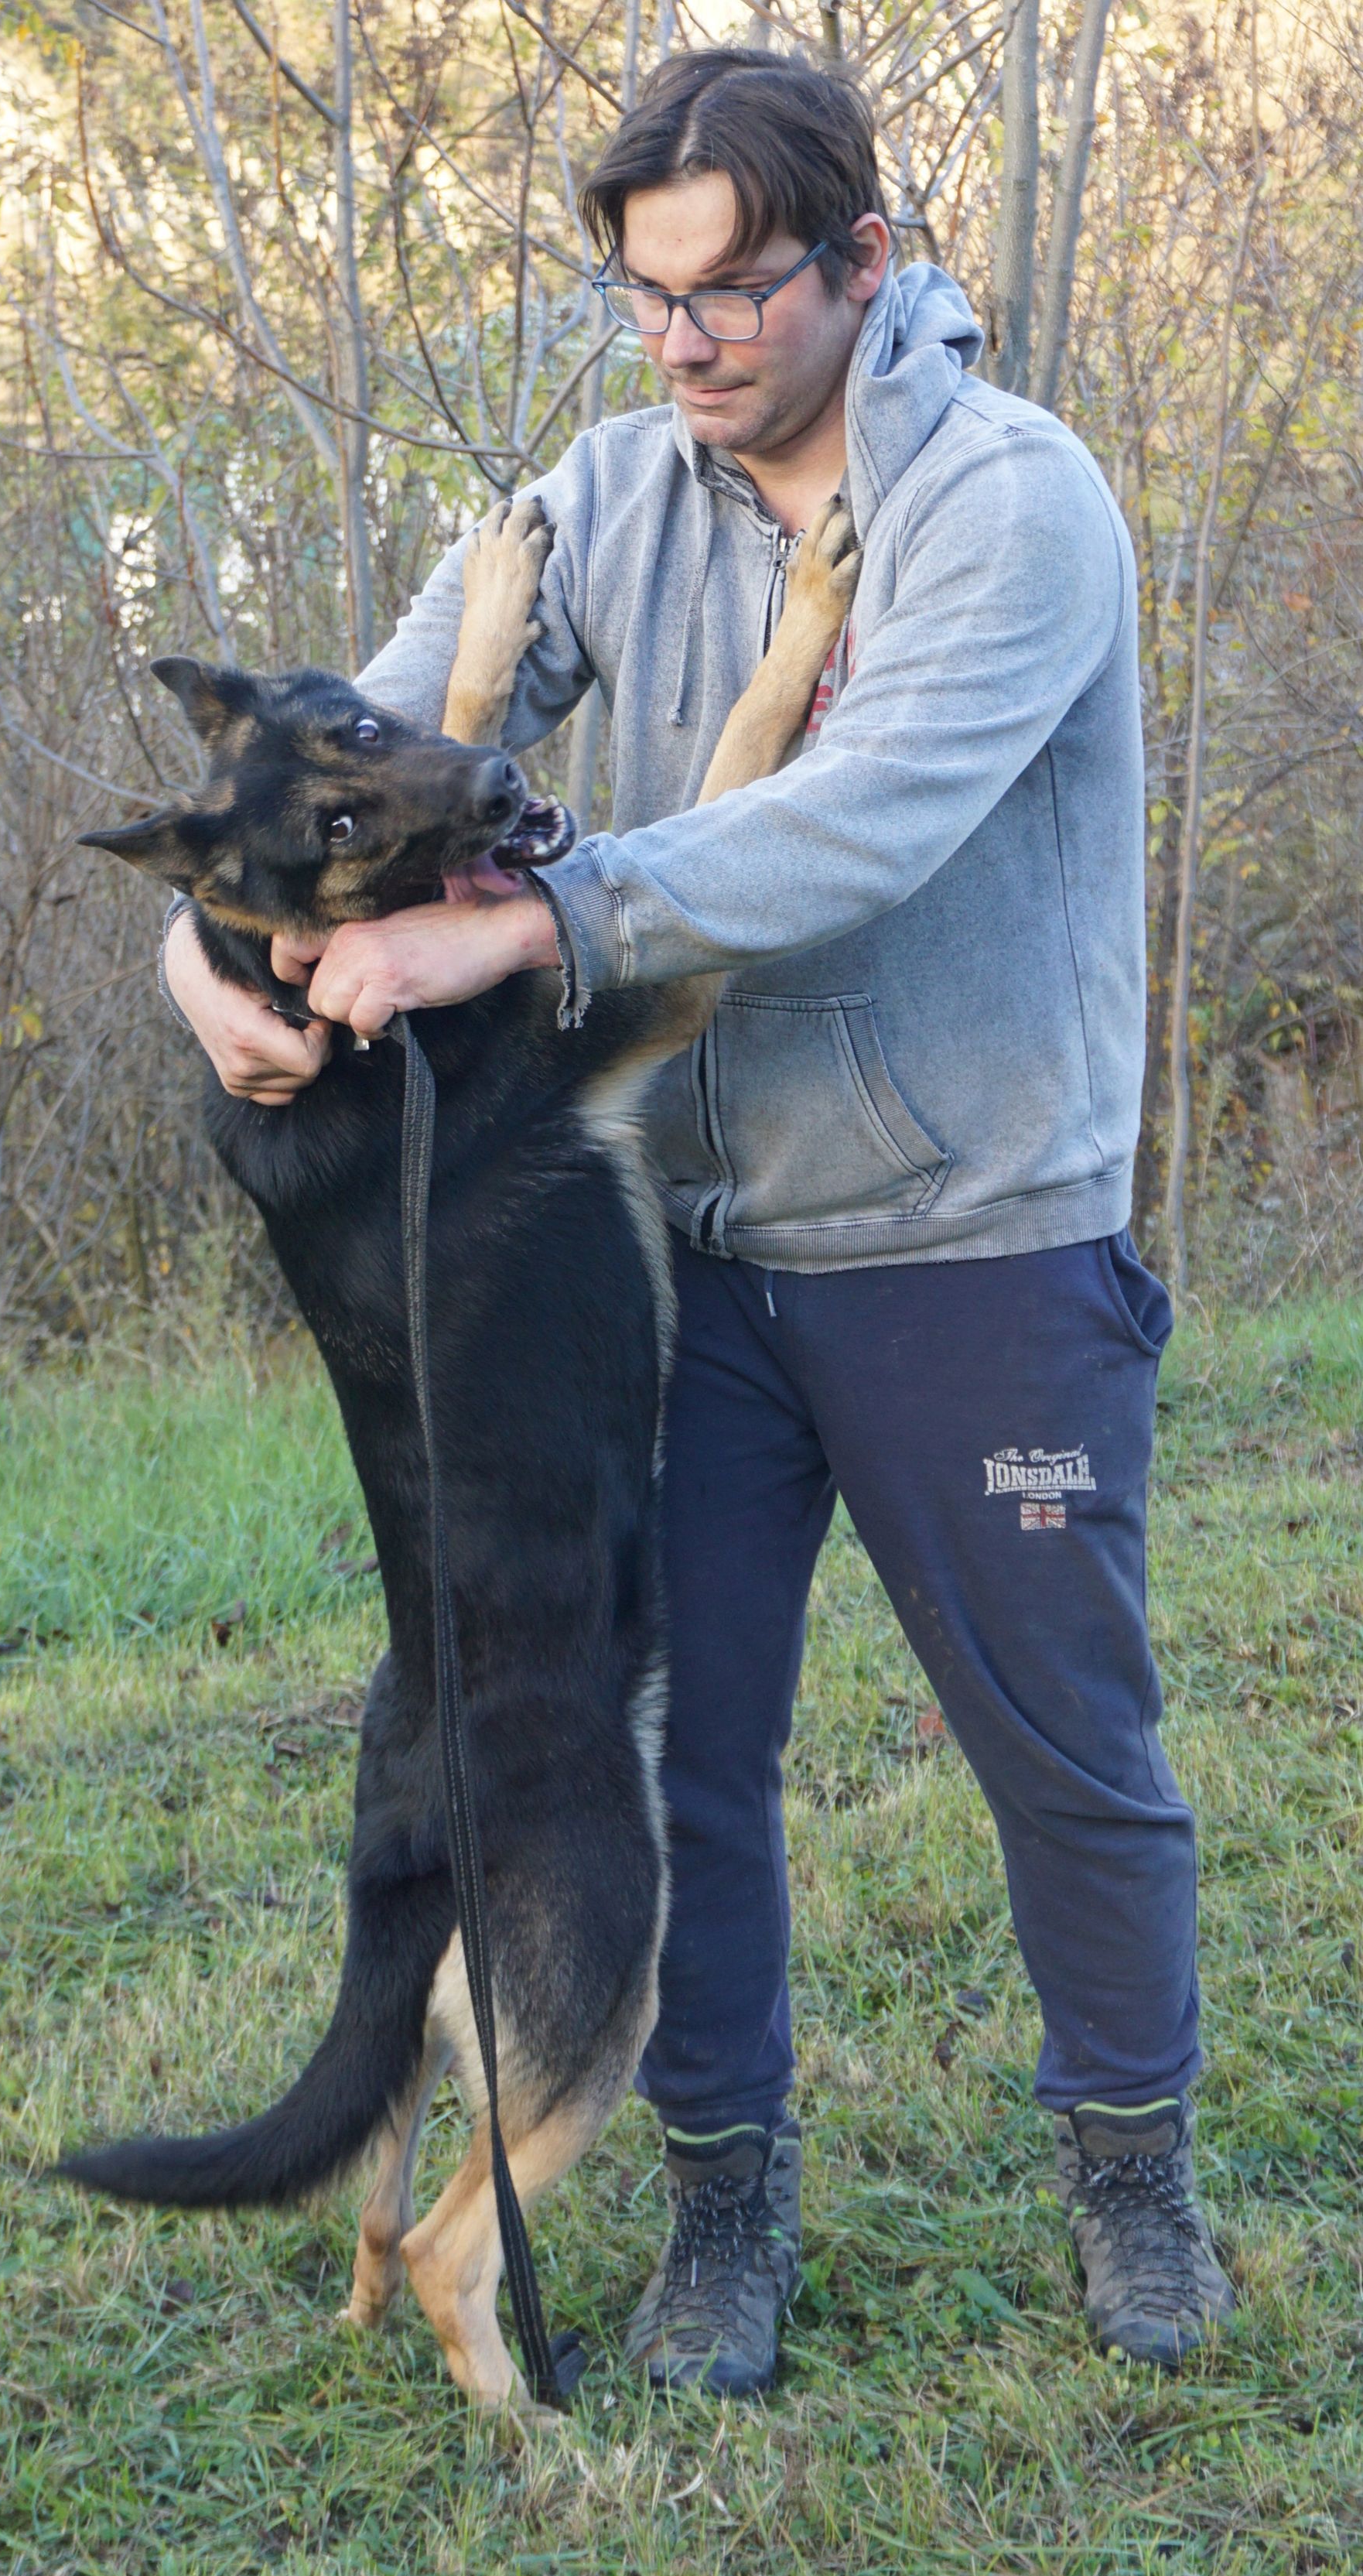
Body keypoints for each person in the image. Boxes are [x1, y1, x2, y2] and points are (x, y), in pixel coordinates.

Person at [163, 48, 1235, 2392]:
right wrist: (197, 957)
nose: (686, 344)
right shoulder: (604, 498)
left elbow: (863, 823)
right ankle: (718, 2205)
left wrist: (530, 930)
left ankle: (1133, 2169)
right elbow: (340, 733)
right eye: (647, 299)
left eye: (736, 291)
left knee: (1067, 1746)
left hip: (973, 1243)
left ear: (865, 260)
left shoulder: (1013, 509)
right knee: (683, 1768)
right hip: (700, 1271)